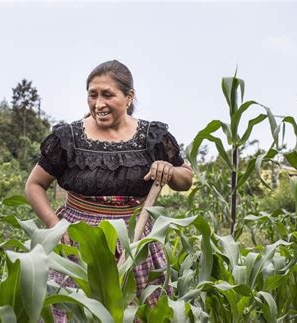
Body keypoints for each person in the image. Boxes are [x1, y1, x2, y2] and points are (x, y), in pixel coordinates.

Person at [25, 60, 193, 320]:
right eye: (93, 95)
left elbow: (186, 178)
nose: (98, 104)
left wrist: (169, 170)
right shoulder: (70, 138)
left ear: (129, 97)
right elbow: (34, 185)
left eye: (107, 95)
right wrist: (55, 226)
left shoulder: (152, 137)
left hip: (134, 242)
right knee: (75, 313)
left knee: (137, 313)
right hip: (78, 243)